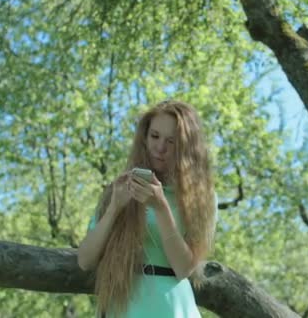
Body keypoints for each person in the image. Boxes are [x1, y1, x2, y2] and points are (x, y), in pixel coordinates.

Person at [77, 100, 217, 318]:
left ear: (186, 147)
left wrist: (161, 208)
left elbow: (183, 269)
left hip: (171, 307)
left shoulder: (200, 200)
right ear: (144, 137)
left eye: (171, 141)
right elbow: (85, 260)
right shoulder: (120, 188)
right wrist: (115, 207)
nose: (160, 147)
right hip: (122, 306)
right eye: (155, 136)